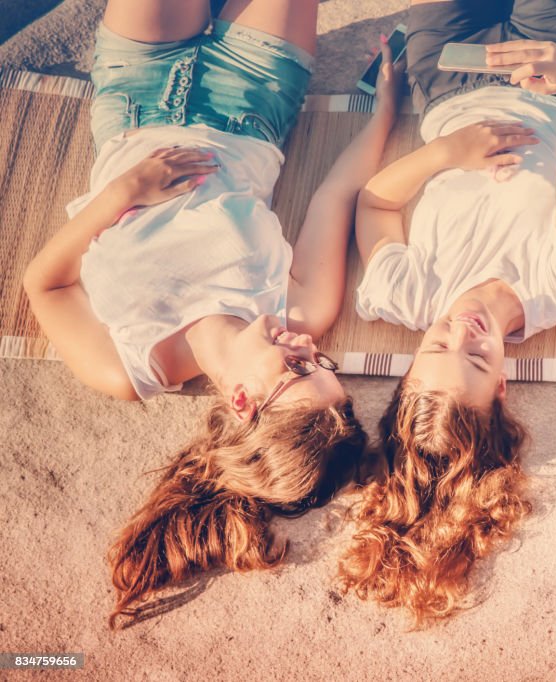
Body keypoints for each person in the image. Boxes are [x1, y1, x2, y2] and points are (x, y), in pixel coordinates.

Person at [21, 0, 402, 627]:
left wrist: (123, 194)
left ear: (247, 401)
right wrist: (384, 106)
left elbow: (46, 286)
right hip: (252, 96)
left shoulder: (128, 367)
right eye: (321, 362)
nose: (306, 348)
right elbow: (337, 194)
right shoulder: (301, 310)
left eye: (298, 369)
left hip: (134, 102)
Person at [340, 0, 556, 622]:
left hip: (447, 88)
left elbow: (376, 206)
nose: (460, 332)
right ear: (501, 385)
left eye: (437, 347)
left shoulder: (407, 297)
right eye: (475, 355)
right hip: (549, 89)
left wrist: (445, 153)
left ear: (410, 367)